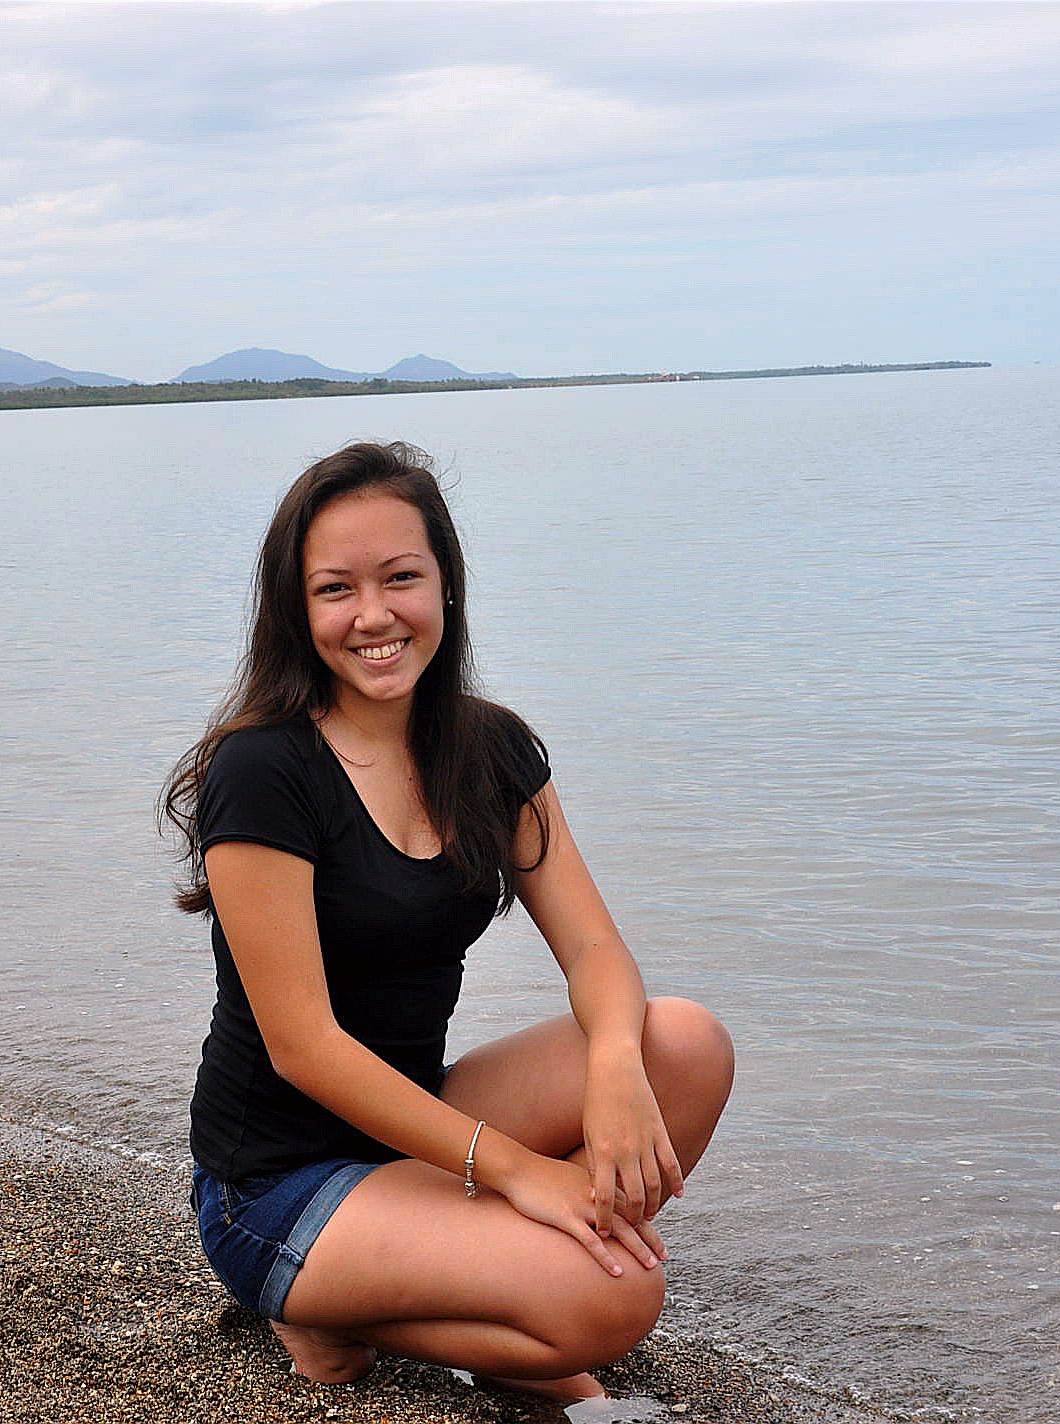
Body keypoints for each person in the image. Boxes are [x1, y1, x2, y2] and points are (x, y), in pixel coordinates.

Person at [162, 440, 734, 1400]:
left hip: (409, 1127)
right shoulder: (262, 771)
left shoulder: (493, 751)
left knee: (682, 1043)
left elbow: (594, 946)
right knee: (619, 1301)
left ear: (447, 587)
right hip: (276, 1182)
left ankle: (499, 1287)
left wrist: (612, 1070)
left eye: (401, 578)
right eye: (336, 589)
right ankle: (334, 1304)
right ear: (297, 614)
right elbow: (302, 1046)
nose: (375, 616)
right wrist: (519, 1175)